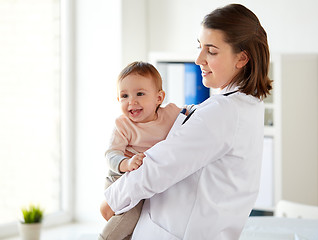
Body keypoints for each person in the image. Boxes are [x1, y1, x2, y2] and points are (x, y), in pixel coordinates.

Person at [101, 3, 272, 239]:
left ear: (242, 58)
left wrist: (112, 200)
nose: (198, 59)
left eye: (211, 51)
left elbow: (160, 166)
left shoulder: (223, 111)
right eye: (199, 47)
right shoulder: (246, 104)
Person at [99, 61, 182, 240]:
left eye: (140, 94)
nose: (132, 101)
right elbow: (111, 155)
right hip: (122, 179)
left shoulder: (171, 114)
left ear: (159, 98)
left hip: (148, 180)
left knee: (140, 228)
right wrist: (127, 163)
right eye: (124, 96)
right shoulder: (123, 125)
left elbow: (192, 115)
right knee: (129, 218)